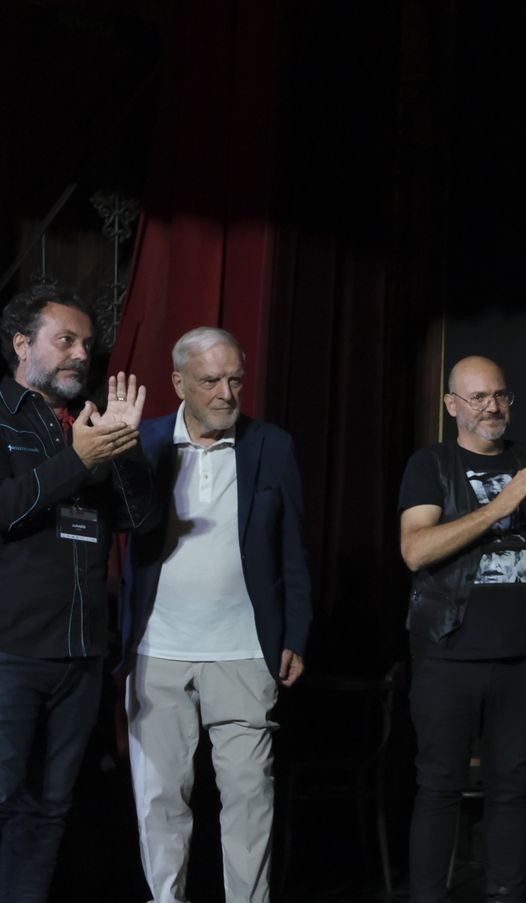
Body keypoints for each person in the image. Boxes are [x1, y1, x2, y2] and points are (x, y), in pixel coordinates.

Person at [119, 326, 313, 902]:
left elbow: (293, 552)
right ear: (179, 383)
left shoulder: (270, 445)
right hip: (157, 651)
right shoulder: (144, 440)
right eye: (210, 381)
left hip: (245, 652)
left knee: (250, 797)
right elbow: (124, 526)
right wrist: (122, 453)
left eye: (235, 379)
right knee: (159, 797)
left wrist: (295, 633)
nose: (227, 393)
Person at [398, 355, 526, 903]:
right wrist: (499, 505)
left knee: (510, 792)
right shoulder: (431, 465)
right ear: (452, 405)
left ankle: (506, 893)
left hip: (521, 656)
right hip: (447, 656)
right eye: (478, 397)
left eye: (500, 395)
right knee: (438, 790)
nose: (492, 407)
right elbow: (415, 550)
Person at [0, 284, 155, 902]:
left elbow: (139, 522)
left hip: (80, 655)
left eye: (86, 344)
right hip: (10, 652)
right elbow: (7, 509)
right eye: (64, 340)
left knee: (48, 809)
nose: (79, 354)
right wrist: (76, 459)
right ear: (21, 344)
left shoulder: (88, 421)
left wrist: (122, 449)